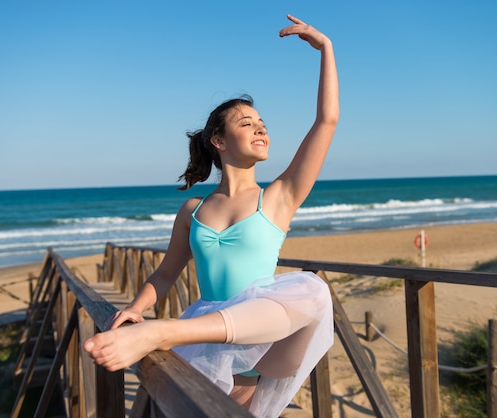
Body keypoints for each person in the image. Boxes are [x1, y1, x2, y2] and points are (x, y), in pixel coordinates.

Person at [83, 14, 339, 417]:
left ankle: (162, 332)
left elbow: (327, 121)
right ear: (219, 141)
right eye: (247, 123)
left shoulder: (277, 198)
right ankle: (159, 331)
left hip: (263, 341)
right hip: (205, 335)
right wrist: (135, 307)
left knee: (314, 291)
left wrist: (326, 48)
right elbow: (165, 273)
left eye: (262, 124)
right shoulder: (193, 210)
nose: (260, 129)